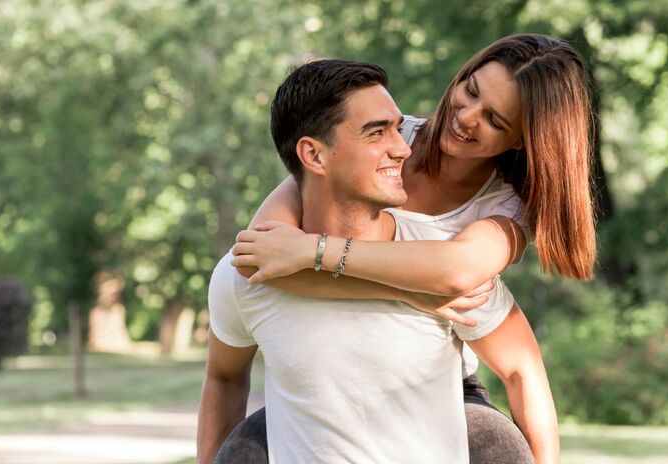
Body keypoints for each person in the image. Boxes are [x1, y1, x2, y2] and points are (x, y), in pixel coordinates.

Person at [229, 34, 595, 463]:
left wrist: (314, 251)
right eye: (470, 91)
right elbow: (264, 255)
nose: (467, 117)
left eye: (495, 120)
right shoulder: (381, 137)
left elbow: (456, 272)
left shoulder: (505, 207)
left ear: (520, 140)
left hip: (435, 381)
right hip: (326, 378)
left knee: (497, 448)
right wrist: (413, 294)